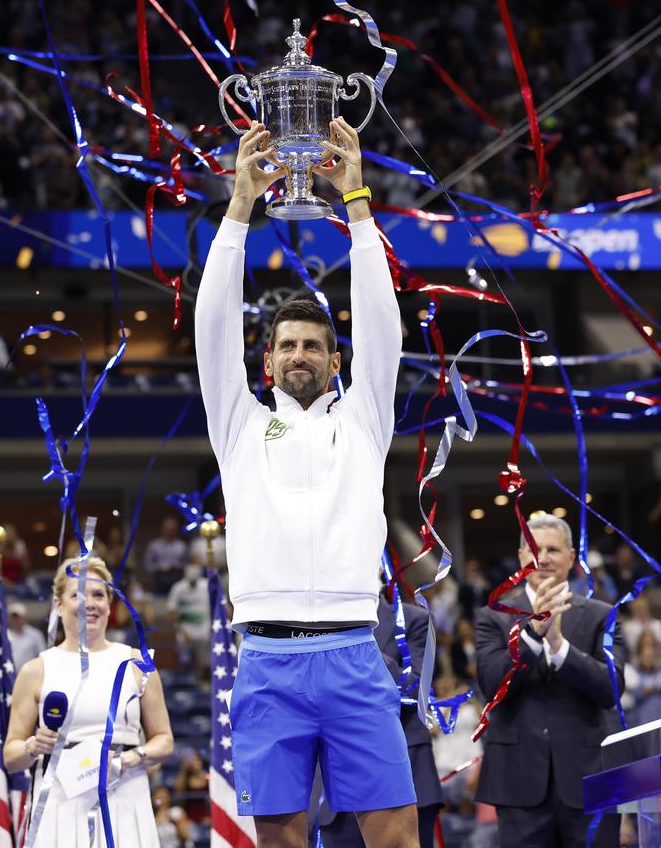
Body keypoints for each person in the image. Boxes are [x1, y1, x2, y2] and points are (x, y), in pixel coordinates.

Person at [196, 117, 415, 846]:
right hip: (265, 658)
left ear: (335, 361)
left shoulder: (363, 420)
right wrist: (237, 210)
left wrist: (355, 202)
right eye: (286, 344)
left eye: (314, 344)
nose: (299, 353)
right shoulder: (239, 425)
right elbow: (212, 327)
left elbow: (384, 325)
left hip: (354, 648)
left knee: (394, 837)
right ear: (267, 363)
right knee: (281, 839)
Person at [474, 515, 623, 848]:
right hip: (518, 782)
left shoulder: (602, 615)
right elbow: (491, 687)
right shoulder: (493, 616)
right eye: (534, 549)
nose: (542, 558)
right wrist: (532, 635)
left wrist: (559, 646)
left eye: (553, 549)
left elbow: (610, 689)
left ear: (572, 557)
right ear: (521, 556)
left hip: (590, 780)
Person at [3, 558, 174, 846]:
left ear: (110, 603)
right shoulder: (36, 670)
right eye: (77, 594)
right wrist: (34, 745)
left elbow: (165, 740)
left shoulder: (137, 663)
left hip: (126, 796)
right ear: (58, 604)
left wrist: (127, 760)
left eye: (98, 594)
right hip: (60, 802)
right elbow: (11, 756)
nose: (90, 603)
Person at [319, 590, 443, 848]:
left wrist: (358, 645)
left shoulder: (412, 618)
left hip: (407, 777)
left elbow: (417, 690)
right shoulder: (314, 624)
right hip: (336, 786)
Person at [165, 564, 211, 673]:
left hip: (204, 629)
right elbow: (171, 612)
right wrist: (182, 631)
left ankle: (204, 682)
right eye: (190, 580)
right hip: (185, 630)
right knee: (184, 660)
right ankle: (185, 682)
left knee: (206, 661)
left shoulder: (206, 586)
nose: (193, 583)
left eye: (195, 580)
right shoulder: (178, 588)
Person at [142, 515, 188, 596]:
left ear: (176, 529)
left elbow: (187, 563)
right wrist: (158, 568)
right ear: (162, 528)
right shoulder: (154, 545)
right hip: (160, 579)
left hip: (177, 579)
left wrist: (179, 566)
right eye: (168, 527)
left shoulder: (182, 545)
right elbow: (147, 564)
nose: (170, 530)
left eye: (172, 528)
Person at [7, 602, 46, 669]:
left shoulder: (35, 634)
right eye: (13, 617)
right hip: (9, 675)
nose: (16, 620)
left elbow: (42, 655)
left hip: (30, 675)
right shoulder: (5, 635)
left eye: (18, 617)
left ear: (24, 617)